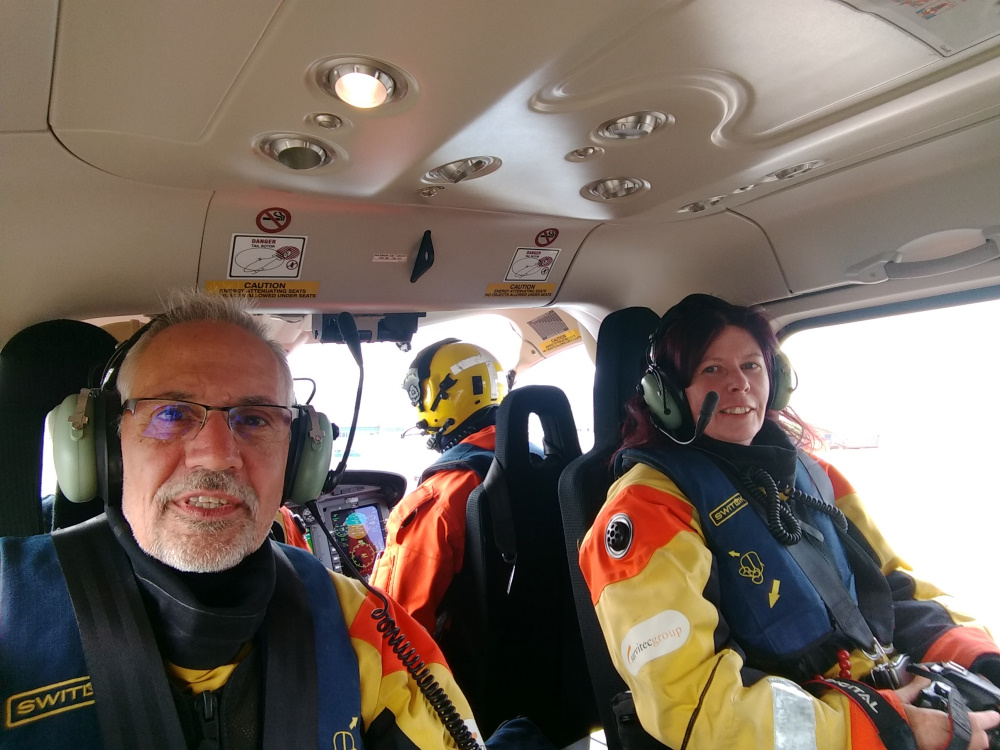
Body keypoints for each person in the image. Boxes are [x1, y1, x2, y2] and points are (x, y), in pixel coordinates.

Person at [0, 290, 541, 749]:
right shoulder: (10, 607)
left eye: (254, 418)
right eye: (171, 412)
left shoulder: (367, 628)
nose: (216, 454)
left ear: (300, 461)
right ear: (103, 447)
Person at [579, 293, 1000, 750]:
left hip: (888, 697)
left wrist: (975, 658)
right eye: (711, 369)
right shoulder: (645, 510)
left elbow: (892, 586)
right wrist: (886, 732)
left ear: (775, 378)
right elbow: (695, 704)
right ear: (667, 398)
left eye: (752, 366)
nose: (739, 384)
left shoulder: (815, 474)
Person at [371, 339, 506, 635]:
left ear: (436, 395)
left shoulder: (440, 498)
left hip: (459, 676)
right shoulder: (541, 462)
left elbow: (396, 625)